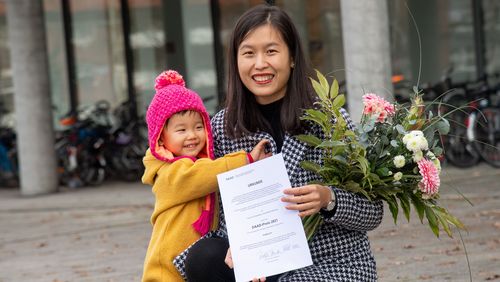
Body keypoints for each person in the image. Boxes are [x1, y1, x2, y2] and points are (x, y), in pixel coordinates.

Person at [175, 4, 384, 282]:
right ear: (236, 61)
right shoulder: (223, 127)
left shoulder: (331, 120)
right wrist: (240, 246)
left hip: (329, 263)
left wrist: (327, 198)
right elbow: (224, 213)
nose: (260, 64)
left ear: (292, 58)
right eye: (249, 53)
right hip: (263, 260)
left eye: (271, 51)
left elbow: (373, 213)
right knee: (205, 257)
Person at [141, 69, 270, 281]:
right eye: (181, 130)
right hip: (166, 272)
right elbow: (200, 175)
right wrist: (245, 160)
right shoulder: (167, 173)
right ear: (160, 138)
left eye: (199, 127)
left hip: (190, 265)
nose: (192, 135)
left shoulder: (199, 163)